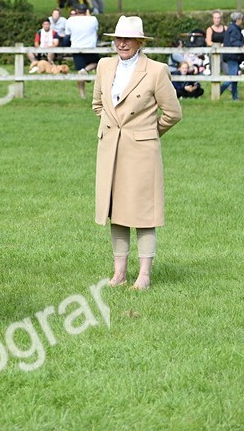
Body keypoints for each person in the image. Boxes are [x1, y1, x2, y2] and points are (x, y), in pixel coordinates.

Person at [92, 16, 182, 290]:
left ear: (139, 42)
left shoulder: (156, 70)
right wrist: (111, 127)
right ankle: (119, 274)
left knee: (143, 212)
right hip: (110, 150)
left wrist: (147, 132)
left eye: (127, 39)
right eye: (118, 39)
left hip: (142, 151)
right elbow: (98, 104)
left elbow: (173, 113)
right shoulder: (104, 66)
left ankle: (144, 274)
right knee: (116, 211)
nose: (121, 44)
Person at [67, 4, 100, 99]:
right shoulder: (93, 19)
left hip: (76, 48)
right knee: (96, 63)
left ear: (76, 11)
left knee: (79, 71)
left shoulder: (70, 20)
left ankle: (82, 95)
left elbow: (68, 34)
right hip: (90, 47)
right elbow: (96, 29)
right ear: (87, 11)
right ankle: (85, 70)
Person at [220, 11, 244, 100]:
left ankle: (235, 97)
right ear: (238, 20)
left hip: (232, 56)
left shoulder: (231, 28)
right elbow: (234, 41)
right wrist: (243, 45)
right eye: (241, 19)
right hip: (232, 56)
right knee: (232, 77)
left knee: (234, 78)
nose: (242, 21)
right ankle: (218, 91)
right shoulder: (234, 29)